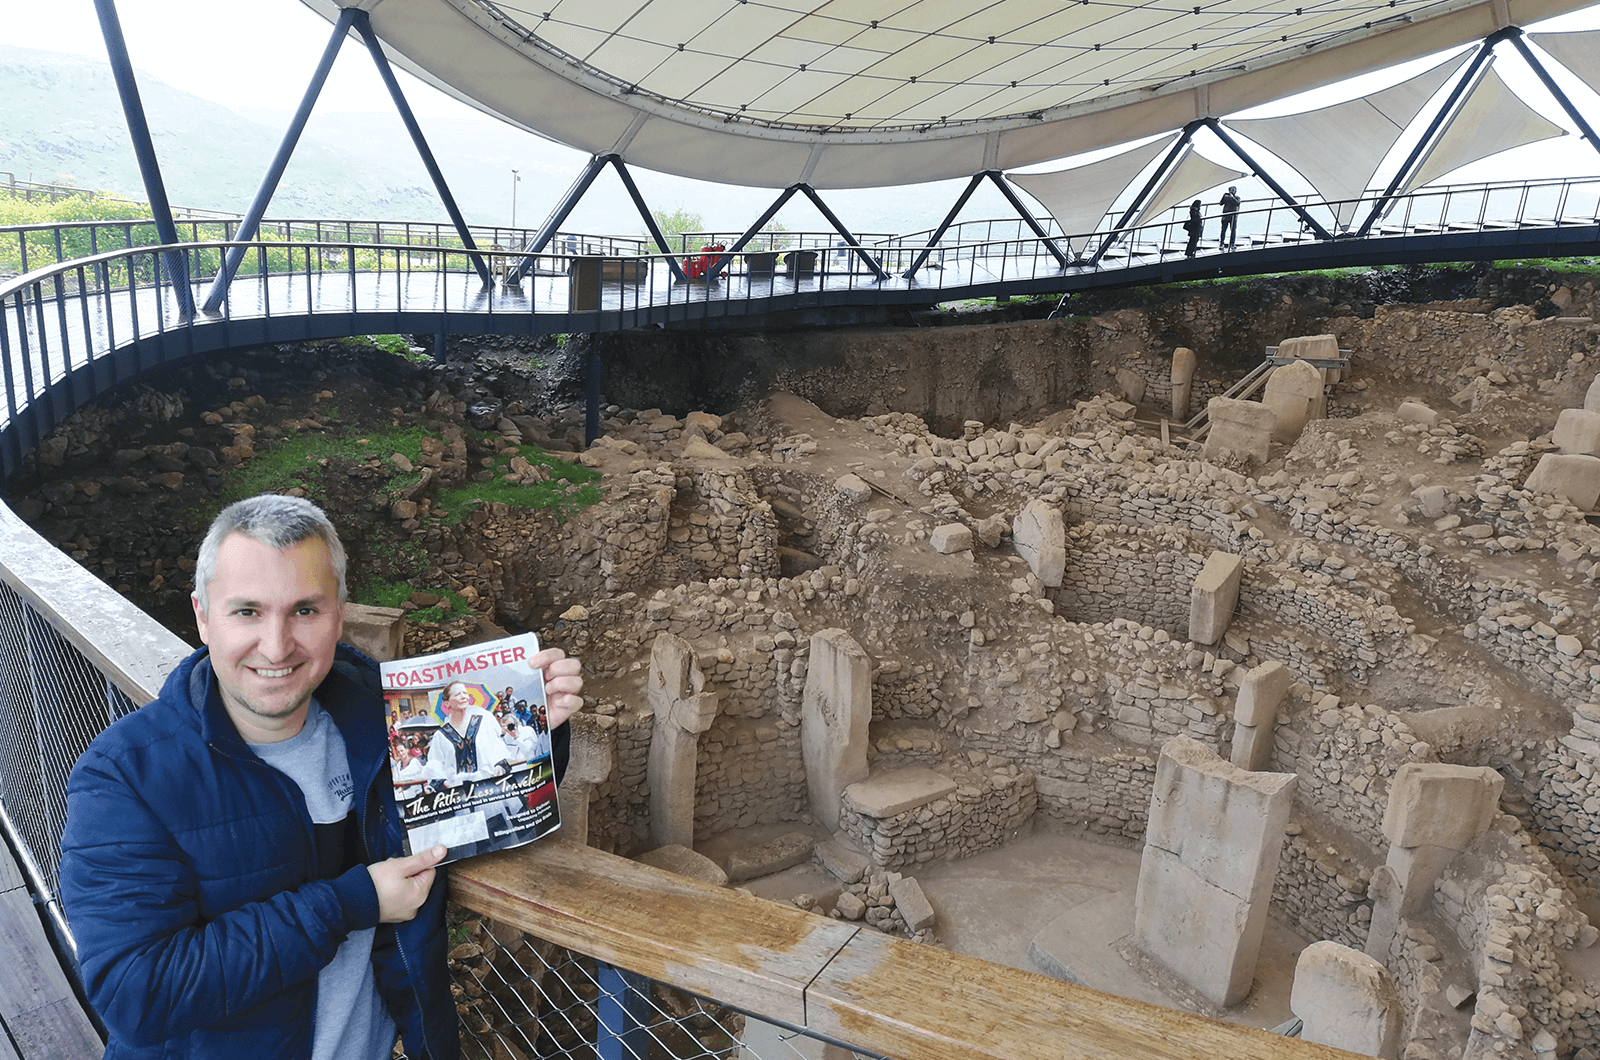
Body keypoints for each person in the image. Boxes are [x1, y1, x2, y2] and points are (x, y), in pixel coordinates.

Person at [58, 493, 584, 1060]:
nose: (277, 645)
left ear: (338, 616)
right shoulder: (126, 775)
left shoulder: (383, 721)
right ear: (203, 617)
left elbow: (471, 810)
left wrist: (532, 727)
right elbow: (136, 995)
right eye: (247, 611)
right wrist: (350, 903)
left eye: (304, 610)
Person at [425, 680, 512, 782]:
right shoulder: (440, 736)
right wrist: (446, 784)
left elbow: (498, 750)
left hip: (488, 786)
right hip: (458, 792)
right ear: (447, 703)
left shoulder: (483, 723)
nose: (463, 696)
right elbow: (436, 767)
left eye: (465, 693)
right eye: (457, 694)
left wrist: (499, 767)